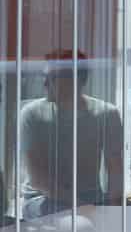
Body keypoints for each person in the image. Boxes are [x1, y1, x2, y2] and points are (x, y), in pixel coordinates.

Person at [19, 50, 123, 217]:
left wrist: (114, 211)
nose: (45, 83)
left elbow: (115, 168)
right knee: (80, 227)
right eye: (44, 76)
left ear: (77, 80)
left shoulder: (107, 113)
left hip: (91, 196)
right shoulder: (32, 114)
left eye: (53, 77)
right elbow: (38, 180)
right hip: (41, 199)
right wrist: (84, 207)